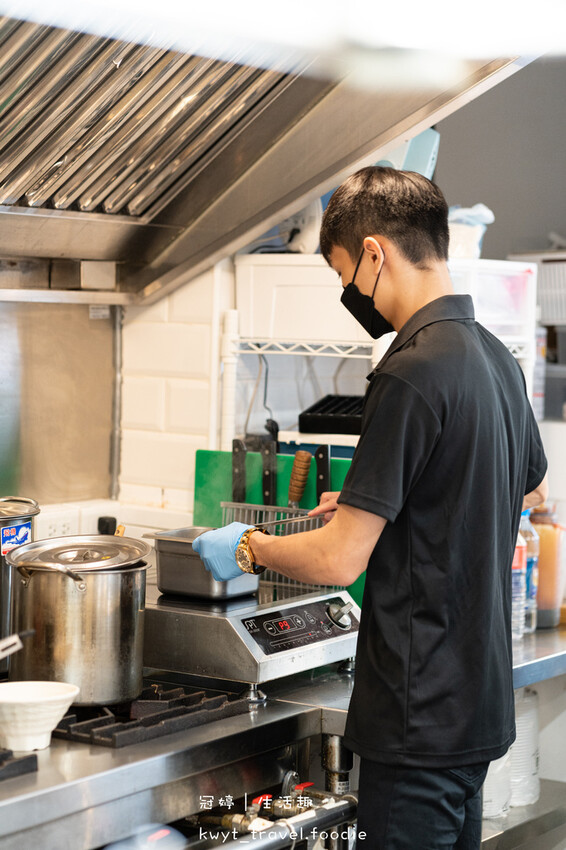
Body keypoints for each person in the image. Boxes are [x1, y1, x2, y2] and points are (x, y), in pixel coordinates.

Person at [193, 166, 548, 849]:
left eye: (342, 273)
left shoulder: (410, 370)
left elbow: (338, 559)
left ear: (375, 253)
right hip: (474, 712)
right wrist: (384, 501)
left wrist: (248, 546)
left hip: (416, 720)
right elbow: (526, 485)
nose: (349, 292)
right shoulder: (495, 359)